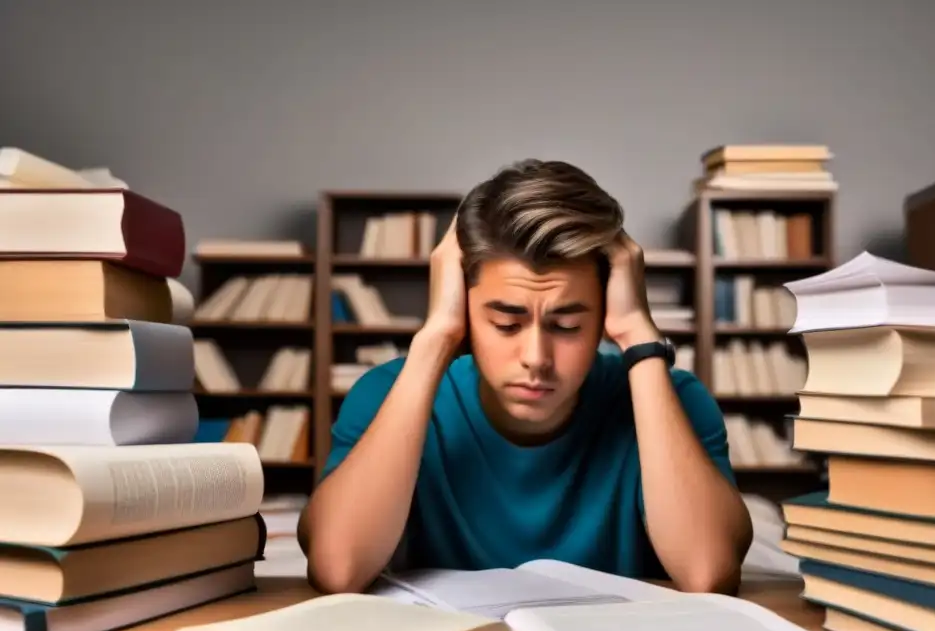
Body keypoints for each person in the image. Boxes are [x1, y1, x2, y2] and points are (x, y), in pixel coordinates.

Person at [298, 159, 752, 596]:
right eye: (505, 324)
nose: (536, 357)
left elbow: (707, 573)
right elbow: (339, 569)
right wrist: (435, 337)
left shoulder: (672, 399)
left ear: (604, 318)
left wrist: (639, 335)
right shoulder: (387, 395)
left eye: (568, 326)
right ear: (464, 307)